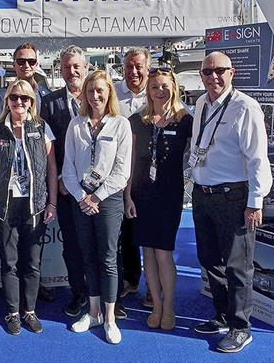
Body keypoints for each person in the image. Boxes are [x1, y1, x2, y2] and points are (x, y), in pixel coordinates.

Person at [190, 51, 272, 353]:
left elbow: (257, 158)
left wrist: (255, 201)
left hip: (234, 198)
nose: (213, 77)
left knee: (238, 267)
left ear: (232, 72)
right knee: (210, 260)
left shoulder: (245, 107)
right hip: (203, 194)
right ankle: (223, 316)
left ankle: (241, 327)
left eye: (219, 70)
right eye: (207, 72)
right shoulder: (201, 103)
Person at [0, 80, 58, 335]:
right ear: (8, 100)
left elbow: (52, 169)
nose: (19, 102)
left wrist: (52, 202)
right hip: (6, 204)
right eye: (14, 97)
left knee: (32, 263)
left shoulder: (42, 127)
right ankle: (13, 312)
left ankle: (30, 311)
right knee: (9, 262)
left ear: (32, 101)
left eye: (25, 98)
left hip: (34, 204)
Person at [63, 70, 132, 345]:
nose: (95, 96)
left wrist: (97, 197)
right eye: (90, 91)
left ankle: (110, 317)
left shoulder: (120, 125)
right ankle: (92, 313)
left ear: (109, 93)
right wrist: (82, 196)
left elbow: (122, 170)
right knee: (88, 256)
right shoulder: (75, 125)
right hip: (81, 198)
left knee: (108, 258)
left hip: (109, 199)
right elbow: (68, 167)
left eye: (100, 90)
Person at [124, 66, 193, 331]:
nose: (160, 91)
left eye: (165, 86)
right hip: (142, 194)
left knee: (164, 252)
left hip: (169, 194)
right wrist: (128, 196)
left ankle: (169, 306)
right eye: (155, 87)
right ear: (148, 90)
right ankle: (155, 304)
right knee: (147, 252)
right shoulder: (136, 121)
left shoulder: (185, 120)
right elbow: (129, 163)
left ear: (173, 87)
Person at [0, 42, 54, 302]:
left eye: (30, 61)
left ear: (36, 63)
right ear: (13, 64)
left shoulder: (47, 94)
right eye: (20, 61)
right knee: (11, 255)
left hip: (37, 189)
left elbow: (48, 147)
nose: (25, 65)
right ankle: (15, 304)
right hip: (6, 189)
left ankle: (33, 292)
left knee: (33, 253)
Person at [39, 45, 90, 317]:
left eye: (76, 66)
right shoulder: (49, 102)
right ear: (61, 69)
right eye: (67, 67)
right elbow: (49, 148)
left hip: (96, 189)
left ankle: (105, 298)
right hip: (65, 187)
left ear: (86, 68)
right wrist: (58, 178)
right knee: (71, 243)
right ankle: (79, 293)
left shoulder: (100, 96)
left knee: (100, 244)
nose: (72, 71)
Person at [112, 47, 150, 315]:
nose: (133, 72)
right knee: (123, 233)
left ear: (147, 67)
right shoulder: (114, 92)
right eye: (129, 66)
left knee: (150, 234)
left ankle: (153, 287)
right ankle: (130, 280)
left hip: (149, 178)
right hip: (120, 175)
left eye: (138, 66)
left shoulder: (160, 91)